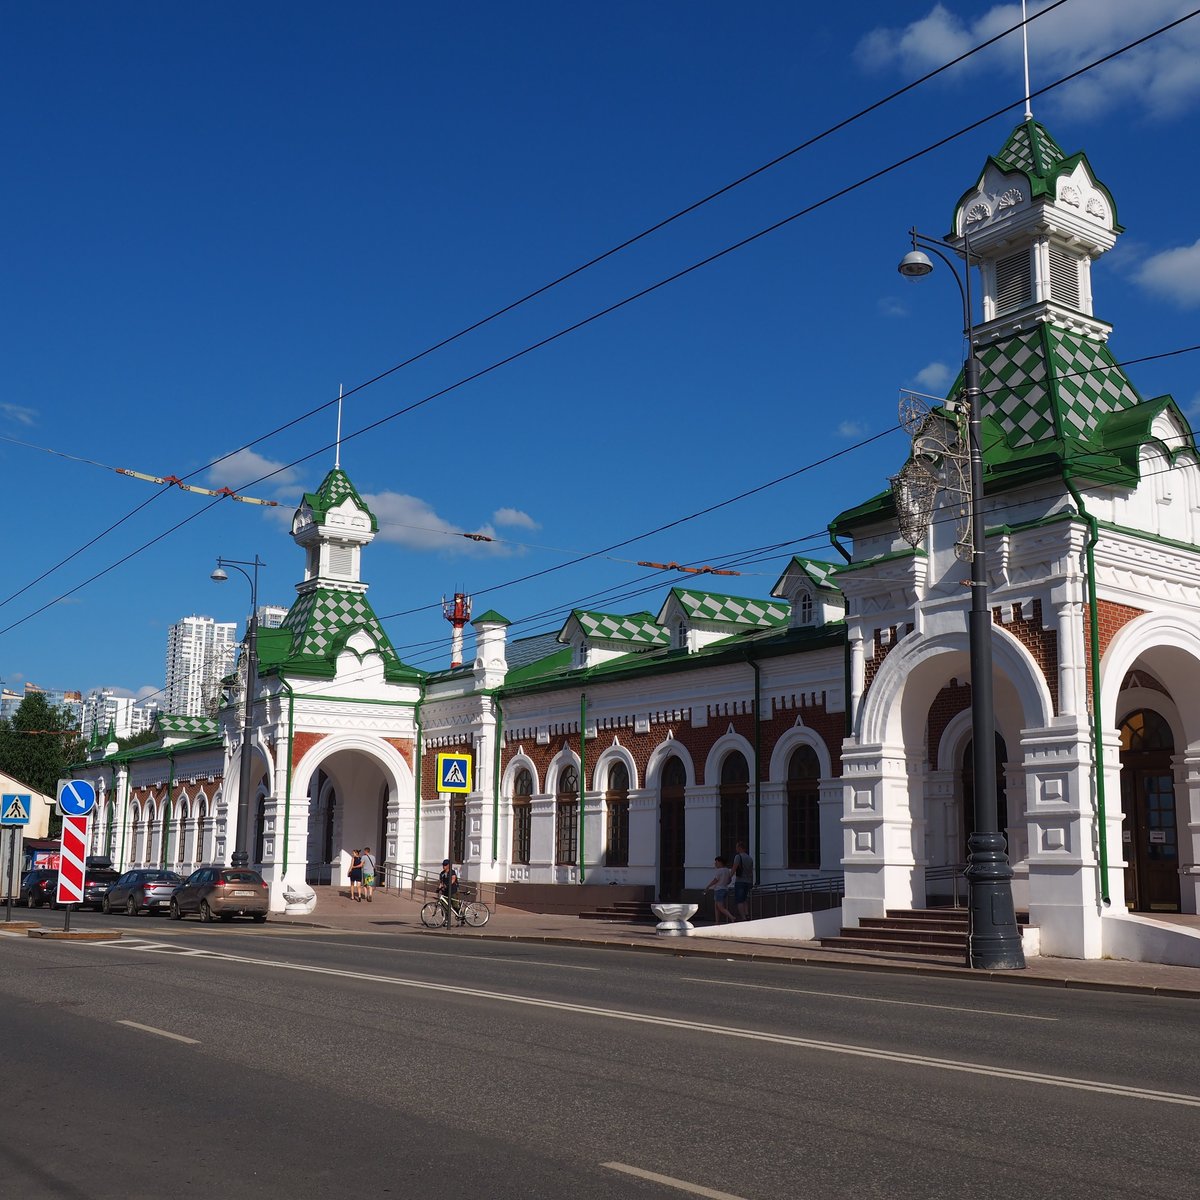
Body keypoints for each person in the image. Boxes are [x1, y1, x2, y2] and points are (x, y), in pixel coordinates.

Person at [704, 856, 735, 924]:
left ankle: (731, 917)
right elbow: (729, 880)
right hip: (725, 889)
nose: (715, 864)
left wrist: (708, 886)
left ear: (720, 862)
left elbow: (715, 880)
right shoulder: (727, 870)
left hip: (719, 890)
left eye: (716, 862)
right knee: (716, 906)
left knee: (720, 907)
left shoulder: (719, 871)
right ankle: (717, 921)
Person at [731, 840, 754, 921]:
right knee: (745, 899)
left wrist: (729, 877)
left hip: (740, 881)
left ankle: (743, 917)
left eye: (737, 847)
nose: (736, 849)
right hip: (748, 881)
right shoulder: (750, 858)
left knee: (739, 900)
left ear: (740, 848)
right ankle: (747, 914)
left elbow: (734, 867)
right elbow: (751, 871)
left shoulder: (738, 857)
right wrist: (752, 882)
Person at [437, 858, 460, 922]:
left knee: (455, 905)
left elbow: (453, 879)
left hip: (453, 891)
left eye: (445, 865)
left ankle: (460, 915)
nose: (444, 866)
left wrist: (447, 885)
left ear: (449, 865)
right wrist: (439, 888)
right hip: (445, 892)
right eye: (443, 865)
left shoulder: (452, 872)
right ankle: (446, 920)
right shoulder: (442, 874)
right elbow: (441, 883)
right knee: (444, 907)